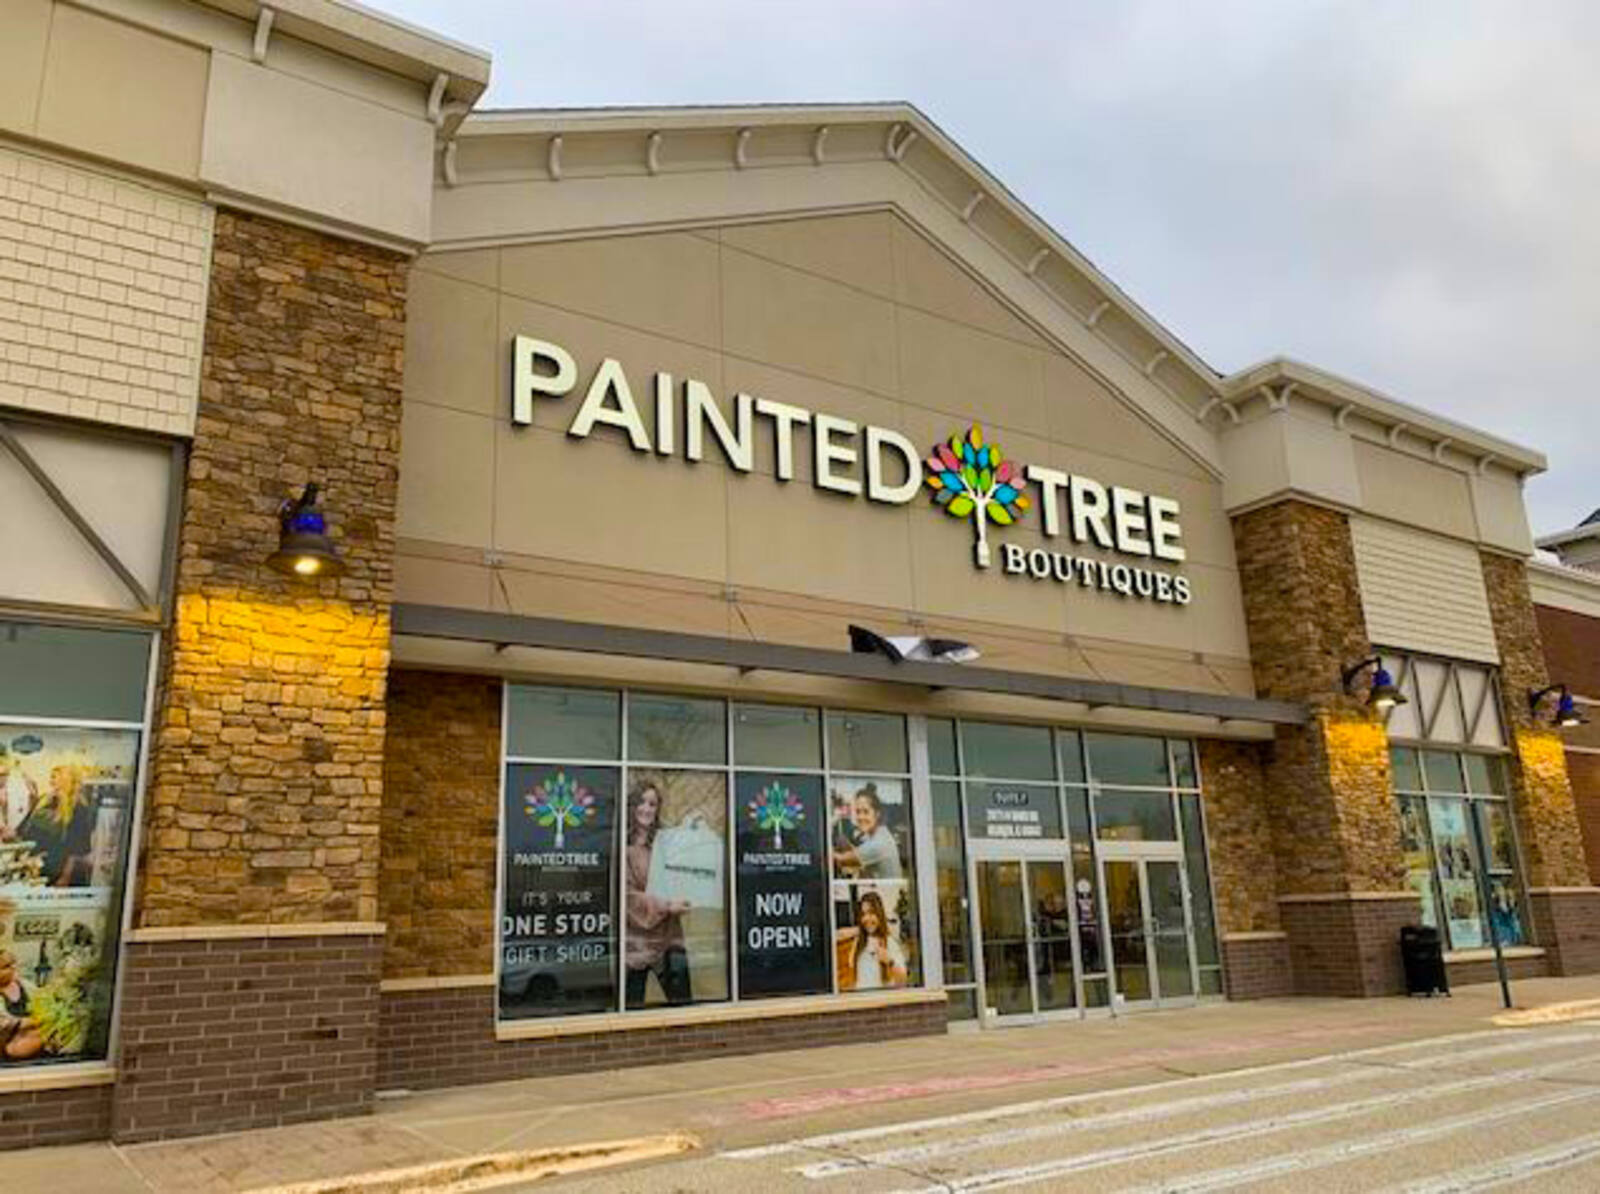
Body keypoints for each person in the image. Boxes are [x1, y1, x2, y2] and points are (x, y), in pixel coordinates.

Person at [624, 780, 692, 1007]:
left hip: (670, 939)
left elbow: (680, 879)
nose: (646, 809)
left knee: (683, 1009)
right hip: (636, 947)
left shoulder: (665, 844)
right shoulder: (623, 848)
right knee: (632, 1013)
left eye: (652, 804)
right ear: (632, 806)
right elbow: (627, 897)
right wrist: (666, 905)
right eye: (641, 802)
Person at [18, 764, 94, 886]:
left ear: (66, 779)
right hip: (35, 868)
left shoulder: (78, 808)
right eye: (51, 777)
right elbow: (21, 831)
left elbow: (77, 849)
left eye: (54, 777)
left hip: (60, 871)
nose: (50, 781)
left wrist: (65, 877)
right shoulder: (43, 801)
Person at [832, 785, 903, 880]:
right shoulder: (881, 834)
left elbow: (840, 860)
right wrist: (845, 844)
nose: (861, 817)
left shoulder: (879, 843)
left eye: (866, 812)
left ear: (877, 814)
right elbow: (860, 853)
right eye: (858, 812)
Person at [849, 890, 907, 990]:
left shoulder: (890, 943)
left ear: (879, 914)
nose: (866, 918)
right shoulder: (858, 942)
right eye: (863, 914)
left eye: (871, 913)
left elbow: (903, 981)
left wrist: (890, 961)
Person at [0, 951, 41, 1062]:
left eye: (13, 964)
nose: (12, 968)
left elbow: (43, 999)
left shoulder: (26, 985)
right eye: (6, 967)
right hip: (7, 1048)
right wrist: (24, 1022)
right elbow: (4, 1023)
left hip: (32, 1040)